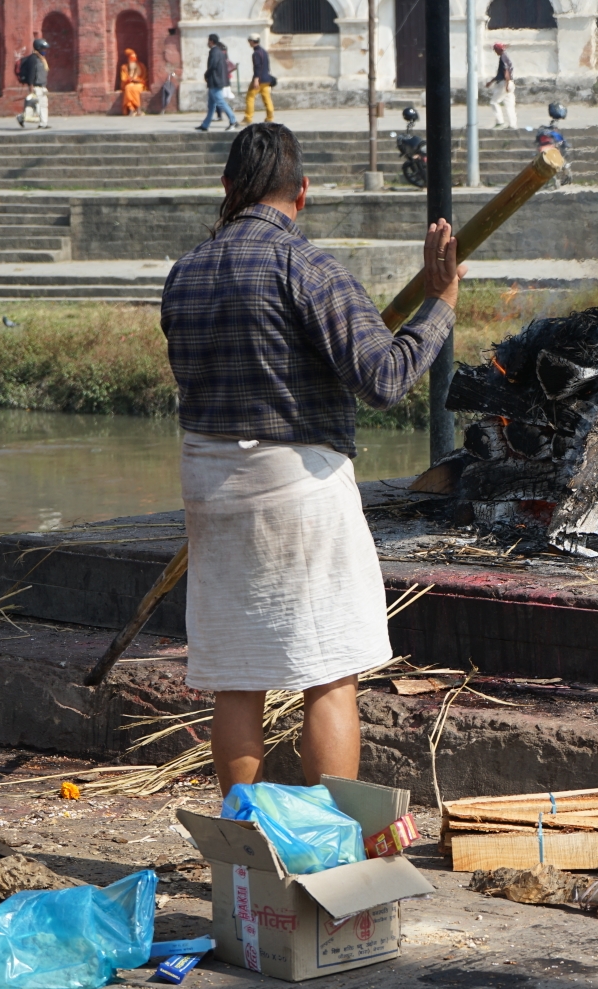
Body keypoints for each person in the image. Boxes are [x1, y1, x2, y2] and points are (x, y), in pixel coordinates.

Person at [160, 123, 465, 793]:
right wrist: (440, 304)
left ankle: (248, 841)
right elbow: (386, 379)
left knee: (238, 678)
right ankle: (326, 845)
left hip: (208, 485)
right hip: (295, 490)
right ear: (303, 192)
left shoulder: (184, 274)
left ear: (225, 189)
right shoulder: (306, 265)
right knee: (328, 673)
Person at [197, 33, 237, 131]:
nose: (208, 43)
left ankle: (233, 121)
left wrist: (206, 74)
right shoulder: (220, 52)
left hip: (215, 81)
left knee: (220, 102)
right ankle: (205, 125)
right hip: (216, 81)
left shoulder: (214, 51)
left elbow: (213, 65)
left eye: (208, 41)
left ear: (211, 41)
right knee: (211, 105)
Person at [16, 38, 50, 129]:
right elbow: (31, 72)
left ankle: (43, 123)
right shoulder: (33, 59)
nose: (45, 51)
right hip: (36, 86)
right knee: (37, 106)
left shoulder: (41, 59)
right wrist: (30, 86)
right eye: (43, 49)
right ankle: (42, 123)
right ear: (38, 48)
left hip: (42, 86)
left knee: (42, 105)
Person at [243, 33, 276, 124]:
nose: (249, 43)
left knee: (250, 97)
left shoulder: (256, 53)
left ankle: (248, 118)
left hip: (259, 79)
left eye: (249, 41)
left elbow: (257, 67)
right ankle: (270, 117)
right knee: (267, 98)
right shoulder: (264, 51)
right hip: (266, 79)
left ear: (252, 42)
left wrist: (256, 80)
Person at [489, 42, 516, 130]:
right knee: (509, 104)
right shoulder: (506, 57)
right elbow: (501, 74)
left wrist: (506, 84)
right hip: (510, 82)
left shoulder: (503, 58)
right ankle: (513, 124)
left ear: (498, 50)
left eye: (495, 50)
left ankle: (500, 122)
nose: (495, 52)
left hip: (504, 83)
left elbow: (506, 72)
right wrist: (491, 82)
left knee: (494, 102)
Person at [120, 48, 147, 116]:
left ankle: (138, 108)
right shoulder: (124, 67)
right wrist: (129, 79)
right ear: (128, 59)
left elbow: (144, 77)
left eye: (134, 58)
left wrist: (138, 80)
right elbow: (124, 78)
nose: (133, 60)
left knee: (135, 89)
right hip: (129, 83)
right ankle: (131, 109)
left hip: (140, 83)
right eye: (131, 58)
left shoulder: (141, 66)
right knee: (128, 88)